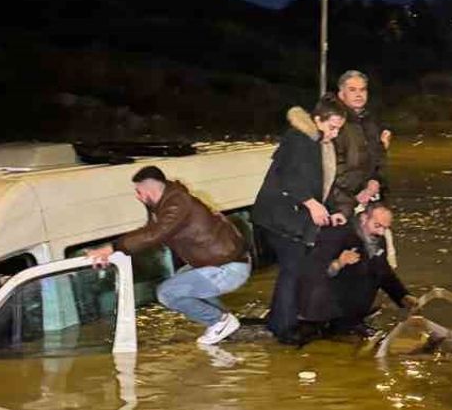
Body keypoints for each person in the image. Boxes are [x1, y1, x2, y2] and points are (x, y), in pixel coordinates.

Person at [87, 166, 249, 345]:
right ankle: (225, 323)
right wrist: (115, 253)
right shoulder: (166, 204)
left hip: (227, 268)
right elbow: (149, 233)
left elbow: (155, 234)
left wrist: (113, 248)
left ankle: (219, 321)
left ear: (150, 190)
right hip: (220, 264)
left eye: (139, 191)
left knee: (167, 292)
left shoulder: (177, 203)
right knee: (182, 279)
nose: (137, 196)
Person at [251, 97, 347, 344]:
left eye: (338, 129)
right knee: (292, 268)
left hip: (291, 218)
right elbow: (288, 177)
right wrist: (312, 204)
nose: (335, 134)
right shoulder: (298, 139)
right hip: (277, 217)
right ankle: (284, 327)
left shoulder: (317, 143)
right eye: (332, 127)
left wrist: (330, 210)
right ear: (318, 119)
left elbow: (320, 186)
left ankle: (279, 320)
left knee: (293, 268)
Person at [299, 204, 414, 338]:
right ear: (364, 218)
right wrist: (338, 263)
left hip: (352, 312)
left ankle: (351, 323)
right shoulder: (336, 235)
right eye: (377, 226)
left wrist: (402, 296)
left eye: (385, 228)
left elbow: (383, 272)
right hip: (325, 313)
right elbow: (310, 272)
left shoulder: (379, 240)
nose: (381, 232)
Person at [330, 70, 392, 219]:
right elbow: (334, 166)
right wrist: (359, 191)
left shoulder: (371, 121)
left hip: (370, 197)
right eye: (352, 90)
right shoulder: (334, 124)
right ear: (341, 94)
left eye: (362, 90)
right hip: (342, 202)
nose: (359, 94)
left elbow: (378, 159)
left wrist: (375, 181)